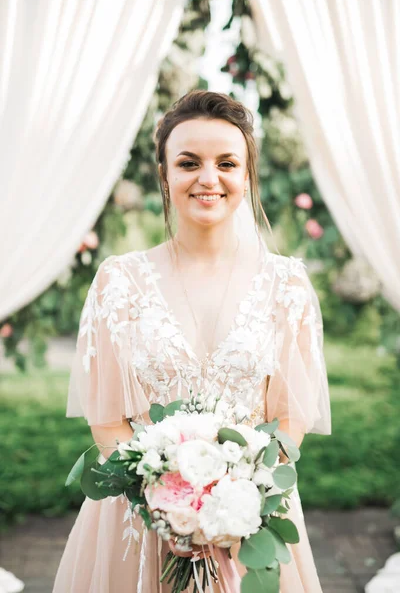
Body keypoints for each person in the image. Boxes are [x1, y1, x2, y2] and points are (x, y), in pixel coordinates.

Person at [53, 90, 331, 592]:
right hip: (137, 527)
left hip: (251, 522)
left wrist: (234, 502)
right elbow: (108, 421)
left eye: (227, 162)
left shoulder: (286, 286)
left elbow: (291, 420)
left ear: (246, 176)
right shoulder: (118, 283)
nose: (209, 178)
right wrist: (168, 501)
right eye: (188, 163)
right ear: (164, 174)